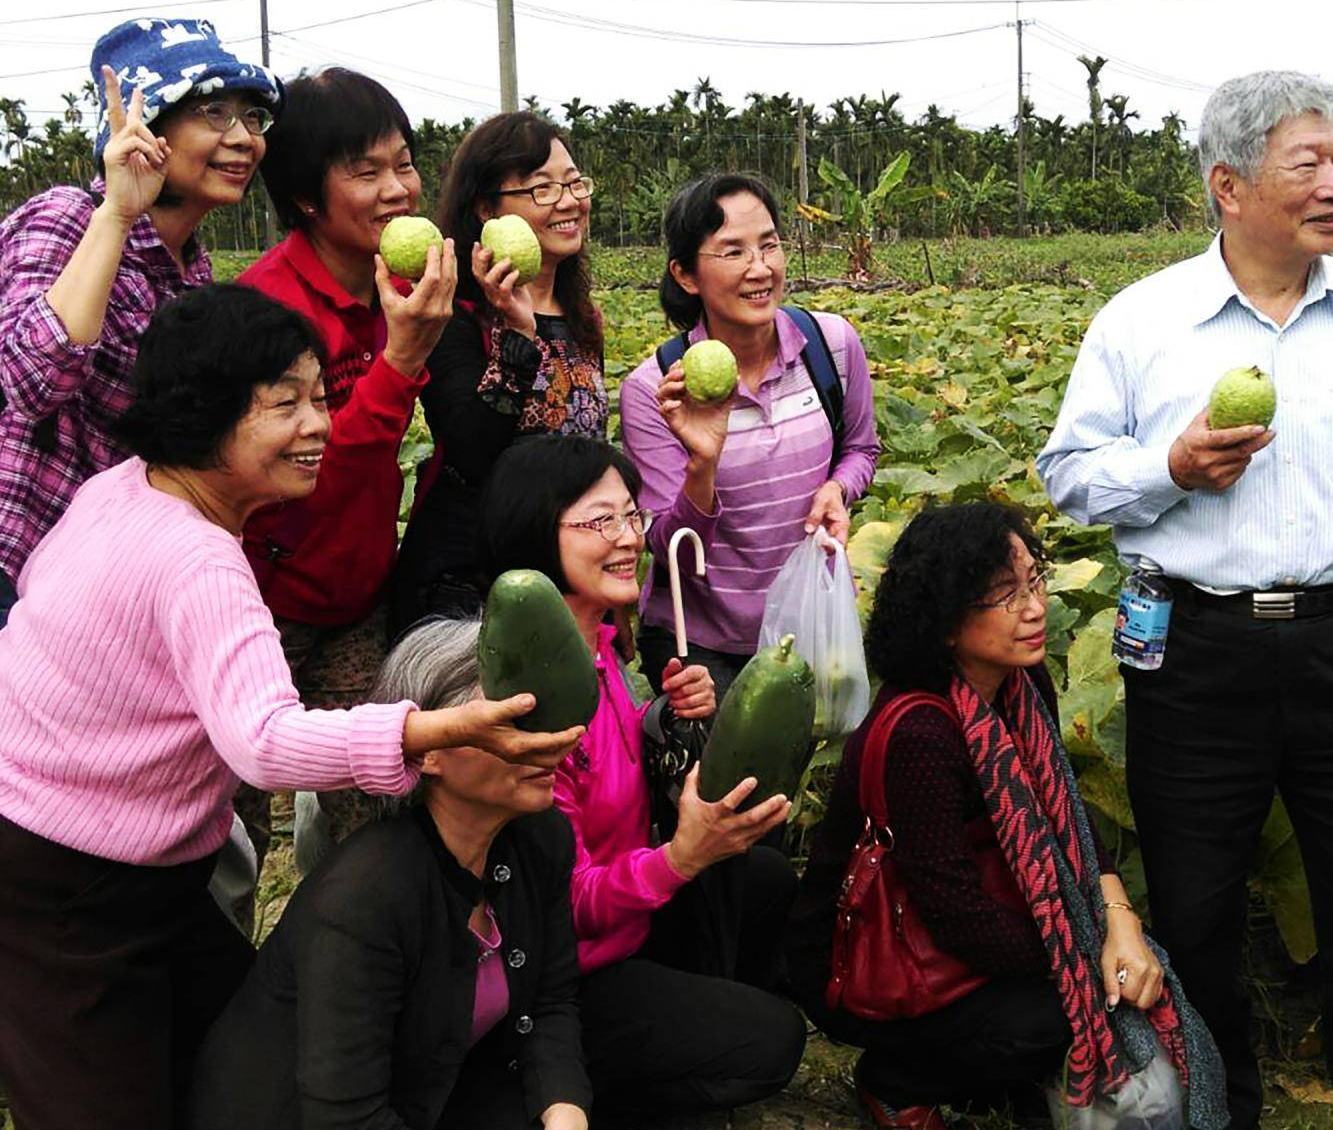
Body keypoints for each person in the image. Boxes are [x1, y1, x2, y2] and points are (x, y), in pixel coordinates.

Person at [0, 285, 580, 1130]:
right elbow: (264, 744)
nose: (320, 426)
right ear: (204, 416)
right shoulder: (196, 559)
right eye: (286, 405)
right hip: (66, 891)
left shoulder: (122, 490)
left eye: (320, 397)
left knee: (242, 1051)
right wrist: (427, 730)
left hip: (136, 873)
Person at [1037, 70, 1333, 1130]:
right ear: (1229, 186)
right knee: (1194, 920)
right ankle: (1212, 1111)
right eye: (1310, 164)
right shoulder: (1142, 321)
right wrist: (1171, 469)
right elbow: (1071, 472)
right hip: (1193, 651)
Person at [789, 502, 1227, 1130]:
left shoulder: (1021, 684)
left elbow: (1069, 821)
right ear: (944, 622)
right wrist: (1083, 956)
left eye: (1035, 580)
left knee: (1105, 984)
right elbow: (956, 915)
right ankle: (895, 1079)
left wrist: (1120, 925)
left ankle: (999, 1070)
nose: (1034, 606)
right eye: (1004, 594)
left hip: (982, 925)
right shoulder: (923, 733)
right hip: (870, 959)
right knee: (1054, 1019)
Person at [479, 434, 808, 1121]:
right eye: (600, 521)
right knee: (775, 1041)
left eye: (632, 516)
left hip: (628, 918)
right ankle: (599, 1095)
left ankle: (698, 1025)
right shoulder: (529, 702)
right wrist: (680, 859)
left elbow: (613, 775)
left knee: (766, 881)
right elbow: (560, 904)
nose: (629, 538)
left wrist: (657, 715)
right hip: (566, 974)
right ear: (535, 534)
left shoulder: (597, 648)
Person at [185, 619, 591, 1130]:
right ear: (431, 748)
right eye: (511, 724)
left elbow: (550, 1004)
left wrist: (564, 1114)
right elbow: (347, 1119)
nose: (544, 742)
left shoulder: (541, 837)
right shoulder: (364, 895)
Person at [236, 66, 456, 859]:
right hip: (263, 605)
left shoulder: (400, 288)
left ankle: (349, 959)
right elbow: (306, 476)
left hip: (357, 593)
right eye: (366, 172)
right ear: (305, 196)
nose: (398, 188)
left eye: (402, 162)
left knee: (371, 808)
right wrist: (400, 362)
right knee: (232, 819)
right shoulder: (267, 311)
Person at [0, 17, 280, 631]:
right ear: (147, 125)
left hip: (97, 582)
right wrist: (119, 212)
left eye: (251, 117)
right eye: (213, 113)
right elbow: (30, 383)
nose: (243, 138)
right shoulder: (68, 220)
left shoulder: (194, 274)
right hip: (15, 560)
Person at [619, 172, 880, 699]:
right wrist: (703, 462)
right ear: (686, 274)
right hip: (701, 644)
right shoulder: (655, 391)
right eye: (733, 252)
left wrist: (839, 489)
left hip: (807, 622)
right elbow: (668, 547)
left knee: (809, 772)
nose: (760, 269)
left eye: (769, 245)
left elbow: (860, 449)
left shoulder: (830, 347)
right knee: (723, 781)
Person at [389, 110, 607, 642]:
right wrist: (516, 335)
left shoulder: (583, 316)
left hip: (563, 580)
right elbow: (473, 451)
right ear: (487, 208)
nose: (568, 200)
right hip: (471, 588)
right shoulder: (452, 312)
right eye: (541, 188)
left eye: (574, 182)